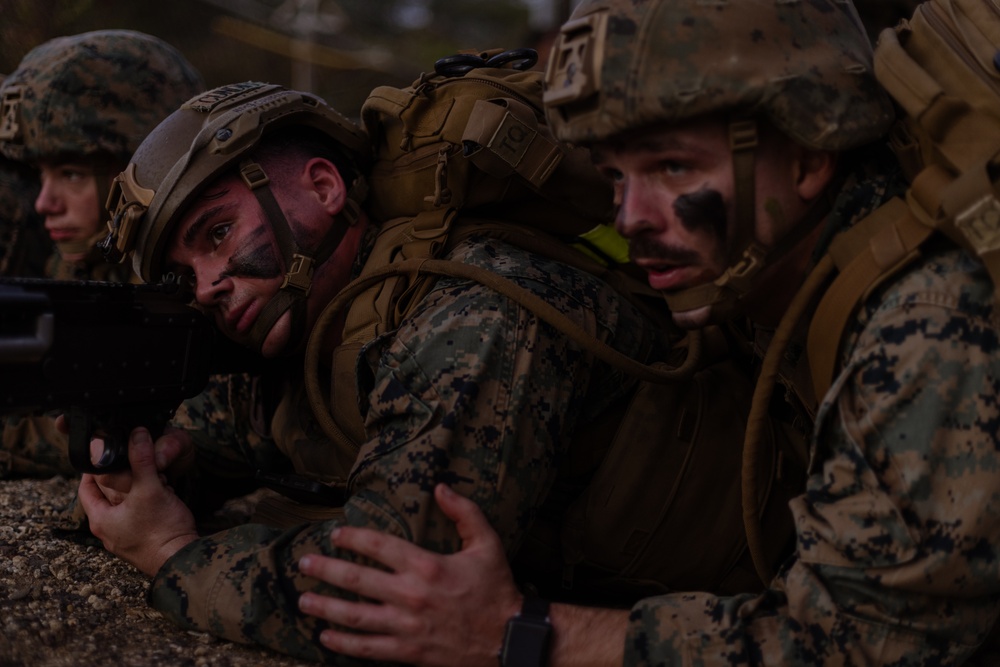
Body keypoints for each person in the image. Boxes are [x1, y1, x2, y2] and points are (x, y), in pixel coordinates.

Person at [292, 0, 1000, 665]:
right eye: (614, 175)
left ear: (811, 154)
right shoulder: (782, 276)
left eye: (672, 166)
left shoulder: (928, 325)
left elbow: (851, 644)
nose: (629, 216)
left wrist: (516, 632)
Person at [77, 79, 676, 662]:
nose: (207, 287)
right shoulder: (306, 330)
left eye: (219, 231)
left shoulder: (474, 311)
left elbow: (396, 592)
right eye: (186, 274)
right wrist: (159, 473)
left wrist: (170, 550)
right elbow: (201, 441)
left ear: (323, 186)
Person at [0, 30, 207, 479]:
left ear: (148, 169)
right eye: (41, 175)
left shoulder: (203, 284)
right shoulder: (80, 258)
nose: (44, 202)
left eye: (71, 173)